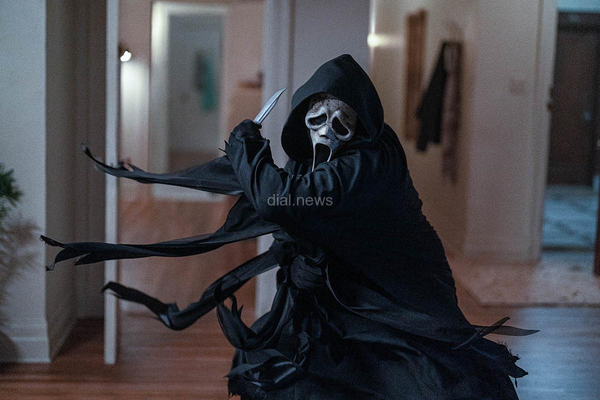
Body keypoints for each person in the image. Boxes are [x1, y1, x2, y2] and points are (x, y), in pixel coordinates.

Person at [42, 54, 536, 400]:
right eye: (317, 120)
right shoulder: (317, 164)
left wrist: (245, 144)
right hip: (345, 298)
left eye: (340, 124)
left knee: (430, 383)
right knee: (289, 376)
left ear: (360, 125)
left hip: (399, 293)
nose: (326, 135)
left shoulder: (367, 163)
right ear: (303, 120)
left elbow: (281, 200)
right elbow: (294, 214)